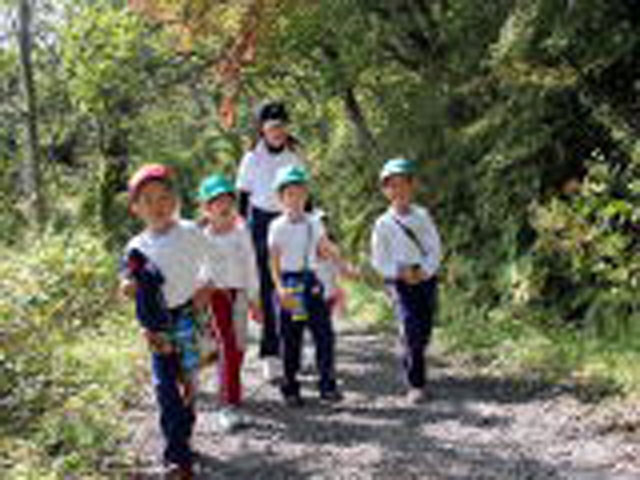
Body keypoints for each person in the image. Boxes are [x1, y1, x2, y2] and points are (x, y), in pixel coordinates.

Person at [120, 164, 219, 478]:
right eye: (147, 200)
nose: (157, 206)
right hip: (157, 326)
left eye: (163, 197)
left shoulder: (189, 232)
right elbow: (126, 280)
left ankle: (184, 433)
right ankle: (176, 456)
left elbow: (213, 260)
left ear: (175, 200)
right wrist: (127, 288)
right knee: (166, 387)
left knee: (188, 382)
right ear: (136, 208)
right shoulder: (137, 247)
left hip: (188, 316)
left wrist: (207, 283)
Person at [236, 101, 305, 382]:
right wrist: (240, 232)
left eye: (281, 126)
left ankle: (293, 348)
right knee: (267, 287)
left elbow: (305, 195)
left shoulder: (294, 156)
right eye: (271, 127)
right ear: (262, 130)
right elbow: (242, 198)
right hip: (262, 223)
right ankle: (270, 352)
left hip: (290, 221)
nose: (277, 132)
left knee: (295, 282)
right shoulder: (252, 158)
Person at [268, 165, 345, 406]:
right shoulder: (277, 226)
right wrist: (279, 288)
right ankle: (290, 387)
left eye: (300, 193)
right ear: (281, 198)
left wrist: (343, 264)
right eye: (289, 194)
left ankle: (327, 385)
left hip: (311, 281)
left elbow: (325, 247)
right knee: (291, 338)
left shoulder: (314, 222)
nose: (295, 199)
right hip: (290, 283)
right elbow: (274, 261)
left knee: (324, 335)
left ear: (306, 195)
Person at [370, 158, 441, 404]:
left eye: (403, 184)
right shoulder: (383, 224)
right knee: (411, 327)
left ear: (412, 186)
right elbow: (379, 260)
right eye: (393, 185)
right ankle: (416, 384)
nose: (399, 190)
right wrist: (399, 273)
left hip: (425, 279)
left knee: (424, 328)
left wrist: (426, 271)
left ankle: (413, 352)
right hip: (399, 282)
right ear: (385, 191)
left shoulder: (423, 216)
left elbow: (434, 248)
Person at [198, 173, 261, 432]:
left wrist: (255, 299)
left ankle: (228, 384)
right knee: (227, 345)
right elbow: (197, 269)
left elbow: (250, 265)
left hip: (240, 294)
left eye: (228, 200)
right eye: (217, 201)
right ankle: (228, 404)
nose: (224, 206)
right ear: (207, 209)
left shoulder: (240, 232)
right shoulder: (202, 236)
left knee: (239, 346)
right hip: (216, 295)